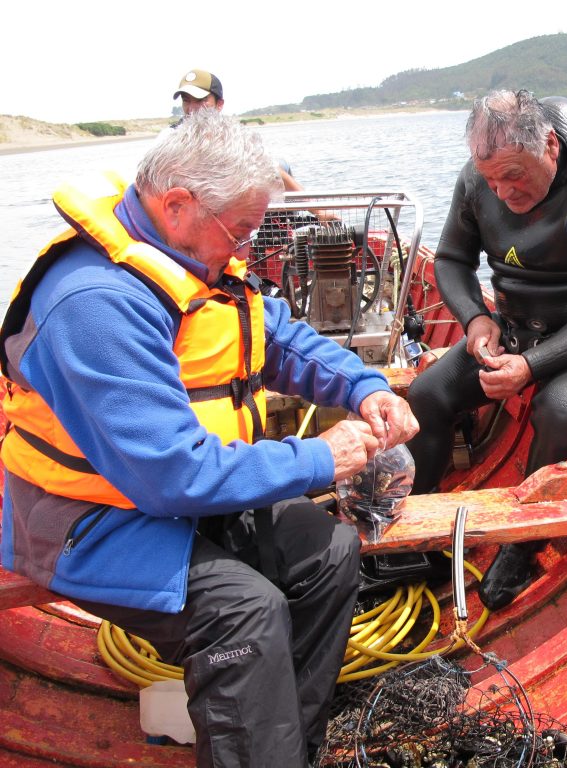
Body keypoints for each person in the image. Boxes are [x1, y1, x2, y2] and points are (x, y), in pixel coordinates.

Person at [0, 109, 418, 768]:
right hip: (88, 518)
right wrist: (319, 457)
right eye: (244, 232)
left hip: (185, 493)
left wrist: (363, 388)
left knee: (330, 553)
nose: (249, 251)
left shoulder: (195, 259)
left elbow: (274, 335)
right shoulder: (93, 305)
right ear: (176, 206)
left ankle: (283, 747)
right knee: (242, 614)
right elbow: (170, 476)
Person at [405, 89, 567, 611]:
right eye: (492, 179)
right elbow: (450, 260)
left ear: (550, 146)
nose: (502, 191)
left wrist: (532, 367)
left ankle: (522, 547)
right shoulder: (478, 180)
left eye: (514, 176)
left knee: (562, 410)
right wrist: (475, 320)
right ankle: (418, 525)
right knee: (425, 394)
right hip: (510, 327)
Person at [171, 68, 303, 191]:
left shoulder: (232, 137)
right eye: (186, 100)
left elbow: (270, 170)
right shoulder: (170, 139)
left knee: (278, 165)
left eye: (200, 100)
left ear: (219, 104)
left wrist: (319, 212)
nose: (192, 108)